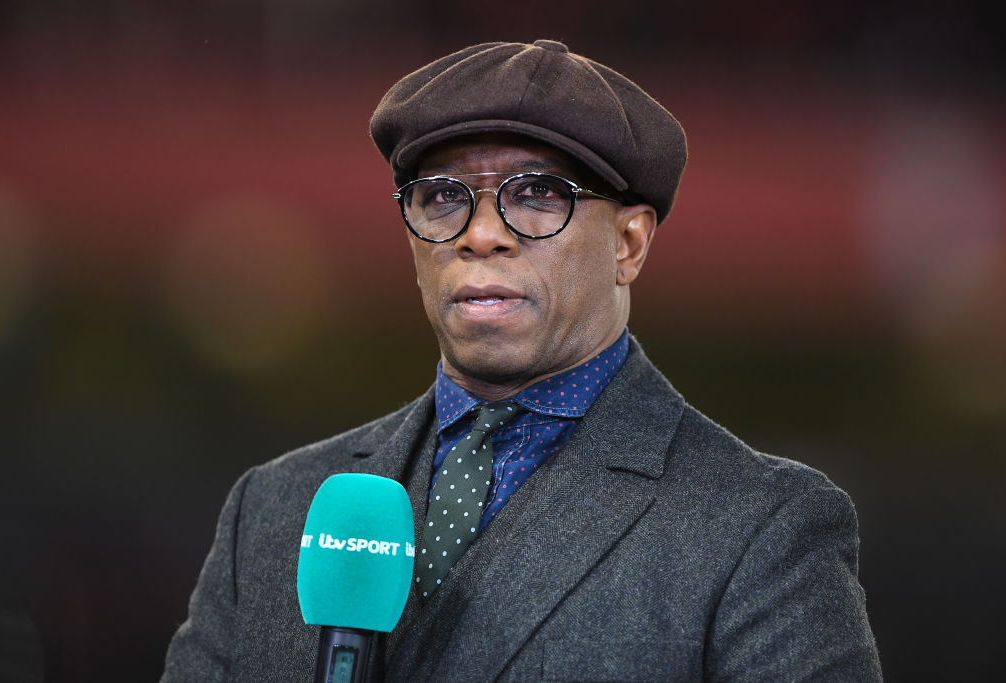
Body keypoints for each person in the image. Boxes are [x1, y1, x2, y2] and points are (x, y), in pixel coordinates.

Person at [162, 40, 883, 681]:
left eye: (538, 194)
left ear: (629, 244)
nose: (479, 234)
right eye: (442, 196)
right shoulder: (273, 510)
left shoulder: (760, 532)